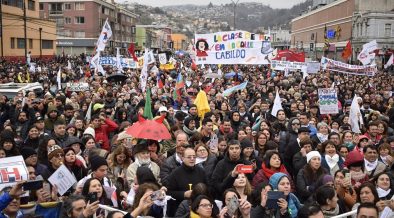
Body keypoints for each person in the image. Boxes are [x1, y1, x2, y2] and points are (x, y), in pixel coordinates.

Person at [166, 147, 207, 217]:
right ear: (183, 158)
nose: (192, 159)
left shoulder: (201, 171)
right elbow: (169, 192)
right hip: (181, 208)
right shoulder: (175, 173)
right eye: (189, 157)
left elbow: (208, 187)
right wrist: (183, 194)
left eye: (194, 157)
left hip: (200, 207)